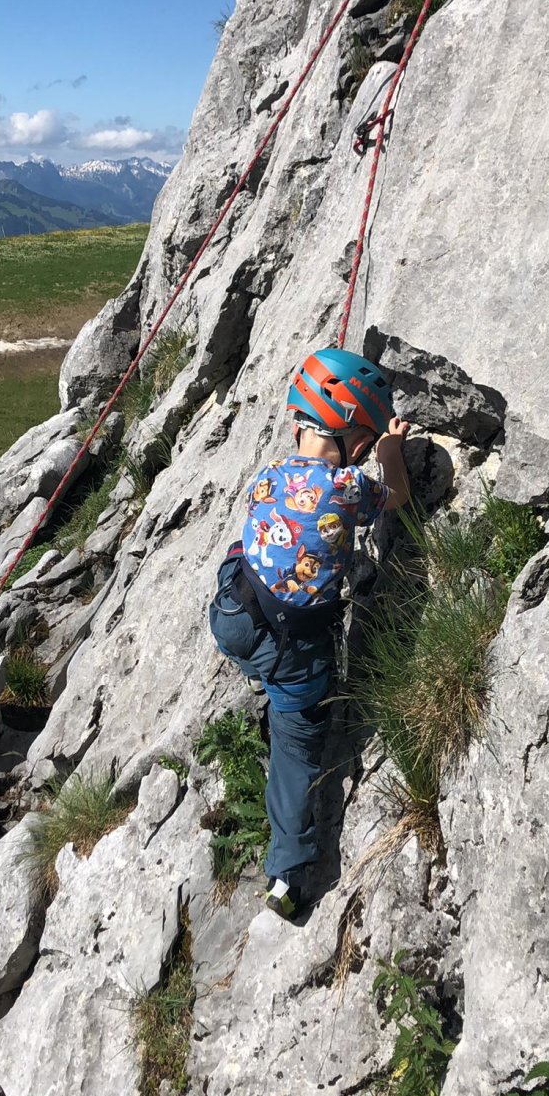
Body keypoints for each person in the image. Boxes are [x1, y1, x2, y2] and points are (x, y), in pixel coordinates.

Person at [209, 347, 410, 919]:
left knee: (248, 570)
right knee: (297, 747)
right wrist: (392, 453)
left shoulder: (270, 474)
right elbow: (397, 496)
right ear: (354, 441)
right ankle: (288, 875)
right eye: (365, 442)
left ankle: (263, 675)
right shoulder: (349, 487)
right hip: (292, 646)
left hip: (231, 611)